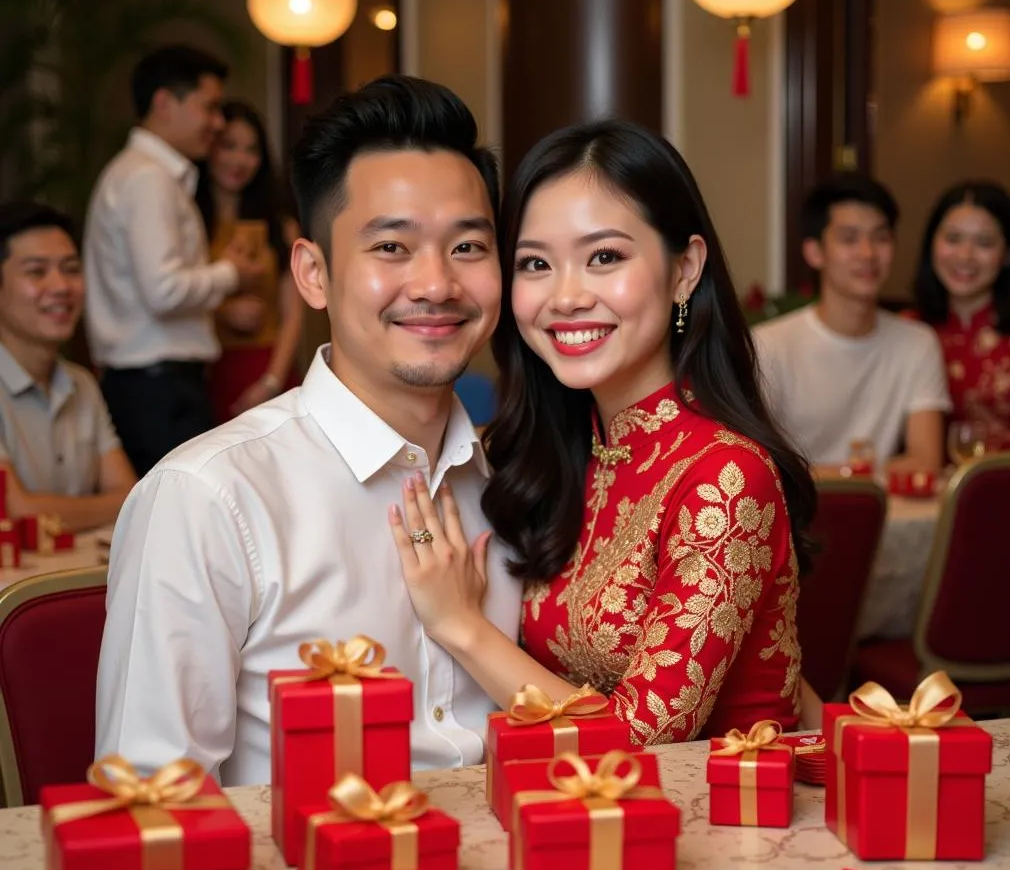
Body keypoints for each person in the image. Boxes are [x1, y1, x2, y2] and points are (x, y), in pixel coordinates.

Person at [95, 75, 522, 785]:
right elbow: (151, 810)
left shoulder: (513, 483)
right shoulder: (207, 498)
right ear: (314, 274)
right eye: (391, 248)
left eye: (468, 247)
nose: (437, 284)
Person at [389, 119, 814, 742]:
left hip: (725, 821)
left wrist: (462, 626)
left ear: (684, 270)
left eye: (605, 257)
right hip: (592, 819)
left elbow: (642, 739)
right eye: (535, 263)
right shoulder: (558, 454)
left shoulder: (725, 477)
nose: (565, 297)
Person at [83, 45, 267, 476]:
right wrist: (231, 274)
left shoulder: (145, 174)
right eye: (210, 107)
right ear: (165, 102)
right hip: (157, 387)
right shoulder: (148, 178)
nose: (217, 123)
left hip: (155, 383)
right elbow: (163, 289)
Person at [754, 173, 950, 473]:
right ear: (814, 252)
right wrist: (855, 475)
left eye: (880, 238)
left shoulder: (917, 343)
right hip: (796, 515)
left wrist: (835, 476)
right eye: (849, 239)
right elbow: (758, 466)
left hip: (886, 515)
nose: (868, 253)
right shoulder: (767, 345)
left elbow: (925, 461)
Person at [0, 202, 136, 530]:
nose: (61, 286)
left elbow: (133, 497)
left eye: (71, 268)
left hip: (78, 578)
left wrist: (44, 513)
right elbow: (16, 511)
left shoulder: (82, 384)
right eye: (36, 271)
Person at [195, 100, 303, 421]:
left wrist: (271, 381)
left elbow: (293, 314)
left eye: (251, 150)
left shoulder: (279, 224)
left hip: (267, 368)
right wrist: (221, 312)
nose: (240, 160)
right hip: (203, 370)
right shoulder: (187, 220)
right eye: (228, 146)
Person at [912, 181, 1010, 451]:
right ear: (932, 244)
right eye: (953, 239)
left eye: (984, 243)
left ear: (1007, 253)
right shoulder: (907, 330)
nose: (965, 256)